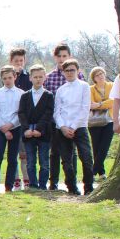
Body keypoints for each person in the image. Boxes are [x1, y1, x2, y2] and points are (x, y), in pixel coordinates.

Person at [44, 43, 85, 190]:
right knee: (54, 152)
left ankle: (71, 182)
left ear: (69, 56)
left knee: (71, 153)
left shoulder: (78, 75)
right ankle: (53, 182)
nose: (62, 59)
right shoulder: (49, 77)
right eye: (59, 56)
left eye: (65, 56)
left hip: (74, 121)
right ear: (55, 57)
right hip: (56, 121)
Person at [54, 58, 95, 195]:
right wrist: (63, 127)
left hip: (80, 126)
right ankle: (71, 187)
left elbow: (85, 108)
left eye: (72, 70)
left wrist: (73, 126)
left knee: (86, 157)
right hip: (63, 129)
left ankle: (88, 187)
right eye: (67, 70)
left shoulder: (84, 86)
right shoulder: (60, 90)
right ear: (63, 73)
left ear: (78, 71)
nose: (69, 73)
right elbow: (57, 112)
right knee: (66, 160)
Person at [0, 65, 24, 193]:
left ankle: (9, 186)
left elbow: (21, 113)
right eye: (5, 78)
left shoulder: (21, 94)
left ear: (15, 77)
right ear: (2, 79)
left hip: (15, 128)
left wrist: (11, 126)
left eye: (9, 77)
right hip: (0, 129)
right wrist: (4, 129)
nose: (7, 80)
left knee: (12, 159)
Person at [18, 64, 55, 189]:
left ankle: (43, 185)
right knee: (30, 161)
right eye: (35, 77)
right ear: (30, 78)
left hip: (43, 132)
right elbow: (21, 113)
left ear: (45, 78)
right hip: (28, 132)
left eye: (40, 77)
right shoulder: (25, 96)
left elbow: (48, 113)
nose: (38, 79)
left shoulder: (49, 95)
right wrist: (26, 129)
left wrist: (38, 129)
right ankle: (33, 184)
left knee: (44, 161)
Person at [9, 47, 31, 189]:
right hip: (10, 122)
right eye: (16, 61)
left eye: (21, 61)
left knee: (24, 153)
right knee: (13, 153)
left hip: (24, 121)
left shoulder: (28, 77)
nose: (18, 63)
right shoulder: (7, 77)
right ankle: (15, 179)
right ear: (11, 61)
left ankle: (27, 179)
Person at [87, 67, 115, 182]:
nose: (101, 76)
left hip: (109, 119)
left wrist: (99, 104)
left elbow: (113, 101)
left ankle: (93, 172)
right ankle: (101, 172)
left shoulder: (112, 86)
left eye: (102, 73)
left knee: (104, 146)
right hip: (95, 121)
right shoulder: (91, 89)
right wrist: (104, 104)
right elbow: (90, 104)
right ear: (94, 78)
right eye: (97, 75)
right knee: (96, 147)